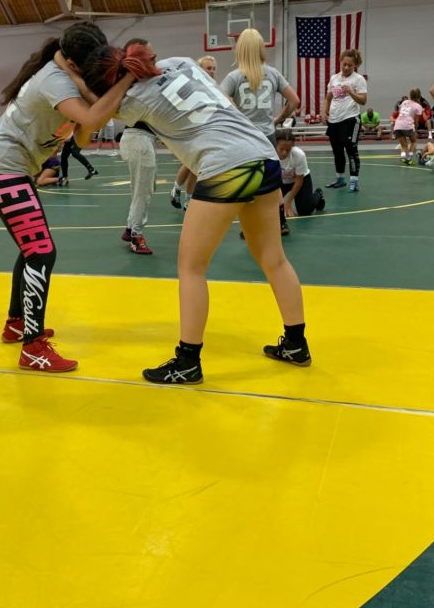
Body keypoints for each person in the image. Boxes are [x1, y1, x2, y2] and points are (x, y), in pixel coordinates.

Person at [80, 46, 310, 385]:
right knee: (274, 259)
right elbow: (227, 105)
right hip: (262, 153)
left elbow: (89, 122)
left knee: (191, 267)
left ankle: (187, 362)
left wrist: (85, 80)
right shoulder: (181, 62)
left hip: (225, 165)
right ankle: (296, 344)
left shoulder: (133, 100)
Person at [0, 22, 139, 374]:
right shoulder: (54, 80)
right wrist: (127, 79)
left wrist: (84, 91)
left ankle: (17, 324)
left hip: (7, 170)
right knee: (41, 251)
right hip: (1, 170)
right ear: (75, 63)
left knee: (31, 249)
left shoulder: (67, 78)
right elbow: (95, 115)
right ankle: (32, 348)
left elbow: (82, 137)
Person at [219, 27, 299, 232]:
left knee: (246, 183)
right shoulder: (273, 74)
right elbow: (294, 101)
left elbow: (220, 100)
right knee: (273, 181)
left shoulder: (234, 77)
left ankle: (249, 227)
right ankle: (280, 221)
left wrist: (239, 118)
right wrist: (279, 119)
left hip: (244, 139)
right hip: (267, 136)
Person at [119, 37, 157, 255]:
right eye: (149, 54)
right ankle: (136, 235)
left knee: (143, 188)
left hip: (142, 139)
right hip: (138, 138)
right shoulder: (135, 82)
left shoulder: (143, 79)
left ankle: (129, 228)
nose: (154, 57)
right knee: (143, 192)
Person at [170, 55, 220, 209]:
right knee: (190, 162)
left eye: (214, 68)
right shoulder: (191, 84)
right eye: (208, 68)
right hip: (192, 128)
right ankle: (176, 188)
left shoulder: (214, 86)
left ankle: (188, 198)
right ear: (200, 69)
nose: (212, 71)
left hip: (208, 128)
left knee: (197, 168)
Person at [323, 48, 368, 192]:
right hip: (334, 120)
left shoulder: (358, 79)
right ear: (340, 62)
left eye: (350, 65)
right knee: (337, 151)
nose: (347, 67)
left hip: (350, 119)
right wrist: (324, 112)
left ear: (355, 65)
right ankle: (340, 179)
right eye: (344, 64)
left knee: (351, 150)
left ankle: (354, 182)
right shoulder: (334, 78)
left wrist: (351, 92)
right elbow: (328, 97)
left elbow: (363, 100)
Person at [275, 130, 325, 220]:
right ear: (276, 145)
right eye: (281, 149)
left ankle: (318, 194)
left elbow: (299, 181)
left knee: (305, 210)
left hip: (300, 180)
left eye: (288, 150)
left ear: (292, 147)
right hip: (281, 182)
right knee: (270, 206)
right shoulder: (270, 156)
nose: (284, 153)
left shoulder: (299, 155)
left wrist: (288, 202)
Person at [392, 88, 423, 164]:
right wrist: (415, 129)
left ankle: (402, 156)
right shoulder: (418, 106)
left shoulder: (404, 102)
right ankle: (409, 157)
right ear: (419, 96)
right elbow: (416, 120)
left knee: (404, 145)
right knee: (414, 141)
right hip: (408, 125)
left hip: (398, 125)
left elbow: (400, 112)